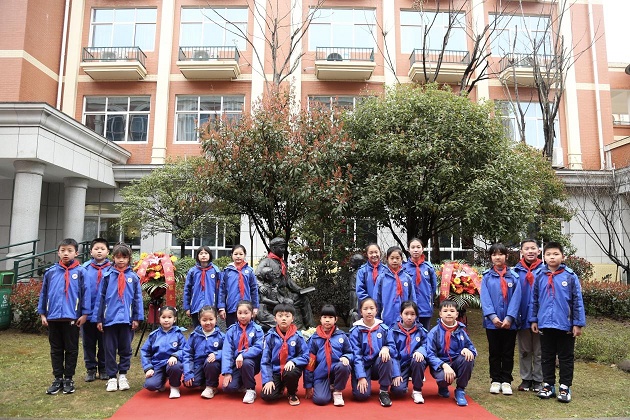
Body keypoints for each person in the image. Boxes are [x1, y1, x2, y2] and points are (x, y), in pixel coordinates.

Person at [530, 241, 586, 403]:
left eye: (556, 254)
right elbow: (534, 300)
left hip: (565, 325)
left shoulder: (570, 276)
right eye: (548, 254)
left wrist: (577, 323)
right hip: (545, 323)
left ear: (563, 256)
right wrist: (534, 319)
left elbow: (577, 301)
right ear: (544, 257)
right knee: (546, 356)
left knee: (565, 357)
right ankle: (548, 385)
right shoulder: (539, 275)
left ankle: (564, 387)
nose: (552, 257)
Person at [38, 238, 90, 395]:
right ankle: (57, 378)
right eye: (63, 250)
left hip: (72, 318)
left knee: (71, 349)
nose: (66, 253)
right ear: (58, 253)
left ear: (76, 253)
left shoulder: (81, 272)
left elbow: (86, 294)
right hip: (53, 317)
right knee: (56, 349)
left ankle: (68, 378)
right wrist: (42, 313)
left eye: (69, 250)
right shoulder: (51, 272)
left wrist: (85, 314)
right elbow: (44, 293)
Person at [94, 242, 144, 392]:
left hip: (127, 320)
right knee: (109, 349)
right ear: (113, 258)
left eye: (124, 257)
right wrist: (99, 319)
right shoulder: (107, 276)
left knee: (126, 349)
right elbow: (100, 299)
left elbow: (137, 299)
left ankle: (122, 375)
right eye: (118, 257)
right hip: (109, 319)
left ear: (129, 259)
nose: (121, 260)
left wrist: (136, 318)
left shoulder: (133, 278)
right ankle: (111, 377)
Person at [480, 243, 522, 396]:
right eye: (494, 254)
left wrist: (509, 318)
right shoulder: (486, 277)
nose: (497, 257)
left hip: (509, 324)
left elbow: (516, 299)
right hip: (492, 324)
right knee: (494, 352)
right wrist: (493, 317)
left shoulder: (514, 277)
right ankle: (495, 380)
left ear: (506, 256)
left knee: (508, 352)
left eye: (500, 254)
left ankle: (506, 381)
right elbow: (485, 299)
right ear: (490, 257)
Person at [426, 300, 476, 407]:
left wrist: (467, 350)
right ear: (440, 314)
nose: (449, 313)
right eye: (445, 311)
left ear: (457, 314)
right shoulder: (434, 332)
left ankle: (460, 390)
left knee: (468, 358)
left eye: (452, 311)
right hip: (441, 365)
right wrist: (444, 365)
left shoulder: (461, 330)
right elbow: (430, 354)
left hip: (457, 362)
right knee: (444, 378)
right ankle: (442, 386)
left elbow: (472, 348)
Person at [255, 237, 313, 330]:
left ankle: (310, 327)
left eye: (284, 247)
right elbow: (256, 277)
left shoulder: (282, 263)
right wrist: (261, 286)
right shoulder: (265, 262)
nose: (283, 250)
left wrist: (299, 290)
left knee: (303, 299)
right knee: (289, 303)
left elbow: (288, 280)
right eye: (281, 247)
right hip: (273, 296)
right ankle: (297, 329)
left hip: (283, 294)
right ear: (273, 248)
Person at [304, 304, 353, 406]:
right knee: (320, 400)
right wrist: (308, 386)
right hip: (321, 374)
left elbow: (350, 352)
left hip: (337, 371)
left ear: (336, 319)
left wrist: (346, 357)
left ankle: (337, 391)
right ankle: (328, 387)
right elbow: (310, 363)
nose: (327, 320)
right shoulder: (315, 338)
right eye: (324, 317)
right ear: (320, 319)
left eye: (330, 317)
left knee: (344, 366)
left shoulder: (341, 336)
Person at [349, 297, 395, 407]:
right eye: (365, 309)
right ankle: (362, 380)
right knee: (361, 396)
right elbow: (356, 355)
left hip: (377, 365)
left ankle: (384, 391)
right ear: (361, 312)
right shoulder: (356, 331)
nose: (369, 311)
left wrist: (386, 348)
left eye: (371, 308)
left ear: (376, 310)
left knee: (386, 356)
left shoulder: (383, 329)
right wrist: (361, 376)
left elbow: (392, 346)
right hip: (363, 366)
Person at [260, 303, 309, 406]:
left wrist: (294, 361)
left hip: (290, 371)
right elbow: (265, 360)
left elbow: (305, 356)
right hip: (276, 371)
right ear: (275, 318)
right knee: (267, 396)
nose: (283, 319)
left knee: (291, 372)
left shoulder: (297, 336)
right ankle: (281, 386)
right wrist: (268, 380)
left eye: (287, 316)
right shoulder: (270, 336)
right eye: (280, 316)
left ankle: (292, 393)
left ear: (292, 318)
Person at [513, 239, 544, 392]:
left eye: (533, 248)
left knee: (539, 351)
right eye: (527, 248)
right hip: (522, 316)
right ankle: (526, 379)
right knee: (525, 350)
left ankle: (538, 380)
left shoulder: (545, 271)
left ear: (539, 251)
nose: (530, 251)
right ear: (521, 252)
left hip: (540, 317)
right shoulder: (515, 272)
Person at [221, 300, 264, 404]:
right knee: (229, 388)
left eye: (246, 313)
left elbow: (258, 347)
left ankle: (250, 389)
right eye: (240, 313)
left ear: (252, 314)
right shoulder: (231, 331)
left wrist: (243, 354)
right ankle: (242, 382)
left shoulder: (257, 330)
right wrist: (227, 372)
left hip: (252, 363)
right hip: (236, 363)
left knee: (246, 362)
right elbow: (227, 351)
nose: (243, 316)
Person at [81, 237, 111, 382]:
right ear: (91, 252)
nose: (99, 251)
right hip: (88, 313)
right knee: (88, 342)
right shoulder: (84, 269)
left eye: (102, 249)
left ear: (108, 252)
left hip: (105, 314)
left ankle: (103, 368)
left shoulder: (112, 269)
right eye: (96, 249)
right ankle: (91, 368)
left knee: (104, 343)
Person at [140, 306, 186, 399]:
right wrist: (148, 368)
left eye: (169, 317)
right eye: (163, 317)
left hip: (172, 364)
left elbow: (184, 349)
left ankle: (174, 387)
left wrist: (175, 356)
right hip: (158, 364)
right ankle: (161, 381)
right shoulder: (154, 335)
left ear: (174, 319)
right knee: (151, 385)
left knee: (175, 366)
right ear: (159, 319)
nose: (166, 320)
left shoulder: (178, 334)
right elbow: (145, 351)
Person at [389, 300, 427, 404]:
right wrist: (396, 374)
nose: (409, 317)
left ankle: (417, 390)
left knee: (418, 360)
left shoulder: (421, 331)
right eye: (406, 314)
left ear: (416, 316)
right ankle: (400, 383)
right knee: (398, 391)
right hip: (400, 365)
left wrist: (420, 351)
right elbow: (393, 354)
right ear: (400, 314)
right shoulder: (393, 331)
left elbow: (427, 344)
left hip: (415, 363)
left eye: (412, 314)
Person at [183, 305, 224, 399]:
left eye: (211, 319)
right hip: (198, 365)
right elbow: (187, 354)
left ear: (216, 319)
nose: (208, 322)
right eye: (204, 320)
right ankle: (204, 382)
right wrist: (188, 373)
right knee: (189, 383)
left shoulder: (221, 336)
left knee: (211, 363)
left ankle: (211, 387)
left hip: (212, 365)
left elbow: (227, 351)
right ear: (199, 320)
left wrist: (217, 354)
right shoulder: (194, 336)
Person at [219, 245, 259, 327]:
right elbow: (222, 290)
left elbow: (254, 290)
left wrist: (255, 307)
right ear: (231, 255)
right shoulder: (227, 271)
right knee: (232, 330)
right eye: (235, 254)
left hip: (246, 308)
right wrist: (221, 307)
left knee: (247, 330)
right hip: (231, 307)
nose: (238, 256)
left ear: (245, 255)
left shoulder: (249, 271)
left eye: (241, 254)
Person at [375, 246, 415, 327]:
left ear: (401, 259)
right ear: (387, 259)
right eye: (392, 258)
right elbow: (377, 299)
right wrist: (377, 318)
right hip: (386, 320)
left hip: (404, 321)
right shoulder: (382, 278)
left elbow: (412, 299)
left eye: (397, 258)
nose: (395, 261)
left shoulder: (407, 278)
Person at [403, 238, 438, 329]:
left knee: (424, 333)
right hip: (409, 308)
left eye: (418, 247)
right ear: (408, 249)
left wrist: (429, 300)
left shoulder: (428, 268)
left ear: (422, 249)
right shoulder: (404, 268)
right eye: (413, 247)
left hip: (425, 307)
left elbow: (433, 287)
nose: (415, 250)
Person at [183, 246, 221, 328]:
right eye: (201, 253)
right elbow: (187, 290)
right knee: (197, 330)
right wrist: (187, 307)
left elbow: (219, 290)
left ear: (210, 255)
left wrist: (220, 306)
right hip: (196, 306)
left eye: (206, 253)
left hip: (211, 306)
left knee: (211, 330)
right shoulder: (193, 271)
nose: (203, 255)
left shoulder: (215, 270)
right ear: (197, 256)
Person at [355, 244, 386, 309]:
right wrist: (370, 304)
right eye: (371, 253)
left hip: (384, 306)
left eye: (376, 252)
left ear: (380, 252)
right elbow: (360, 290)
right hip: (368, 308)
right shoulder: (362, 271)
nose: (374, 255)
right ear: (367, 254)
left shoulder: (386, 270)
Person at [347, 253, 366, 324]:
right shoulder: (357, 273)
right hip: (353, 296)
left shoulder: (358, 274)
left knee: (355, 316)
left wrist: (355, 307)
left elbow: (357, 291)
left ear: (358, 263)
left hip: (356, 298)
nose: (351, 263)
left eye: (352, 261)